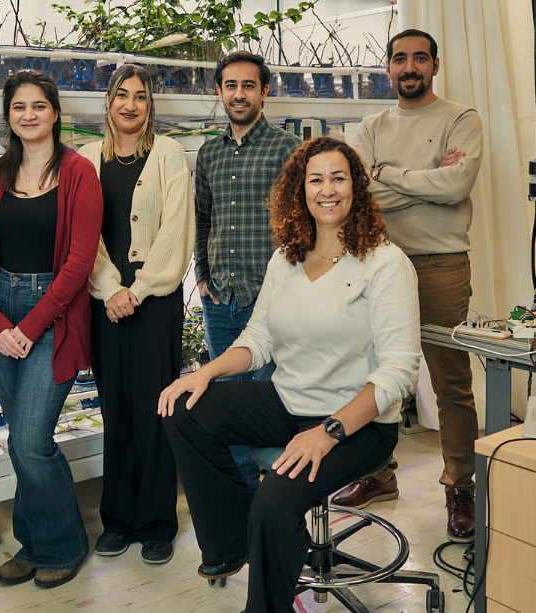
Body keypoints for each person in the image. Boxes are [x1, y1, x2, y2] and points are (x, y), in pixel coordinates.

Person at [159, 137, 420, 613]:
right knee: (182, 408)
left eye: (338, 178)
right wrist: (205, 374)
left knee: (275, 503)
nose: (327, 190)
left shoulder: (385, 263)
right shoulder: (288, 256)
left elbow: (399, 373)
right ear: (300, 190)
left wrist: (328, 432)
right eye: (315, 179)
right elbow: (259, 338)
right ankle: (235, 543)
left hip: (357, 424)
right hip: (288, 401)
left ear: (356, 187)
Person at [343, 28, 483, 543]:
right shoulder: (369, 125)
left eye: (419, 58)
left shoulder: (461, 119)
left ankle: (459, 487)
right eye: (400, 59)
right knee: (372, 379)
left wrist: (385, 175)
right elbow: (359, 197)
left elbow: (457, 185)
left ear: (434, 65)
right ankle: (378, 475)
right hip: (379, 264)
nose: (409, 68)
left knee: (451, 382)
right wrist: (424, 181)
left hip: (441, 264)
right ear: (387, 67)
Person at [0, 70, 103, 588]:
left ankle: (65, 543)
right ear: (8, 116)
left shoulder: (78, 173)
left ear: (55, 112)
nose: (29, 115)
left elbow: (79, 261)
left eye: (38, 106)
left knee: (29, 438)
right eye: (19, 107)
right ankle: (34, 541)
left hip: (55, 312)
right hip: (0, 310)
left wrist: (29, 324)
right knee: (21, 439)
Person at [78, 64, 195, 565]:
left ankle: (155, 523)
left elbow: (176, 230)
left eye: (140, 97)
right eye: (121, 95)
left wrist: (138, 289)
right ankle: (118, 519)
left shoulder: (167, 154)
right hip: (104, 301)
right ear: (108, 102)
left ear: (151, 105)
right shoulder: (84, 158)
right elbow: (83, 235)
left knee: (155, 410)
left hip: (156, 301)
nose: (130, 104)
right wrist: (110, 289)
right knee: (115, 408)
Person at [194, 51, 302, 489]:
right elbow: (203, 218)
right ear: (218, 91)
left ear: (264, 91)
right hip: (221, 299)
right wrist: (201, 274)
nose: (239, 94)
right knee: (227, 402)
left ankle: (280, 494)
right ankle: (244, 494)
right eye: (231, 86)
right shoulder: (208, 154)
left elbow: (303, 224)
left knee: (273, 401)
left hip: (270, 300)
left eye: (249, 85)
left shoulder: (288, 150)